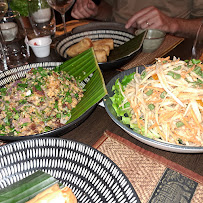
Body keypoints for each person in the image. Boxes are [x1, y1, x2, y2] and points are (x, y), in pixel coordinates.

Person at [71, 0, 203, 38]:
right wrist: (96, 11)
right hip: (115, 39)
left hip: (166, 45)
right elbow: (111, 9)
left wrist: (173, 24)